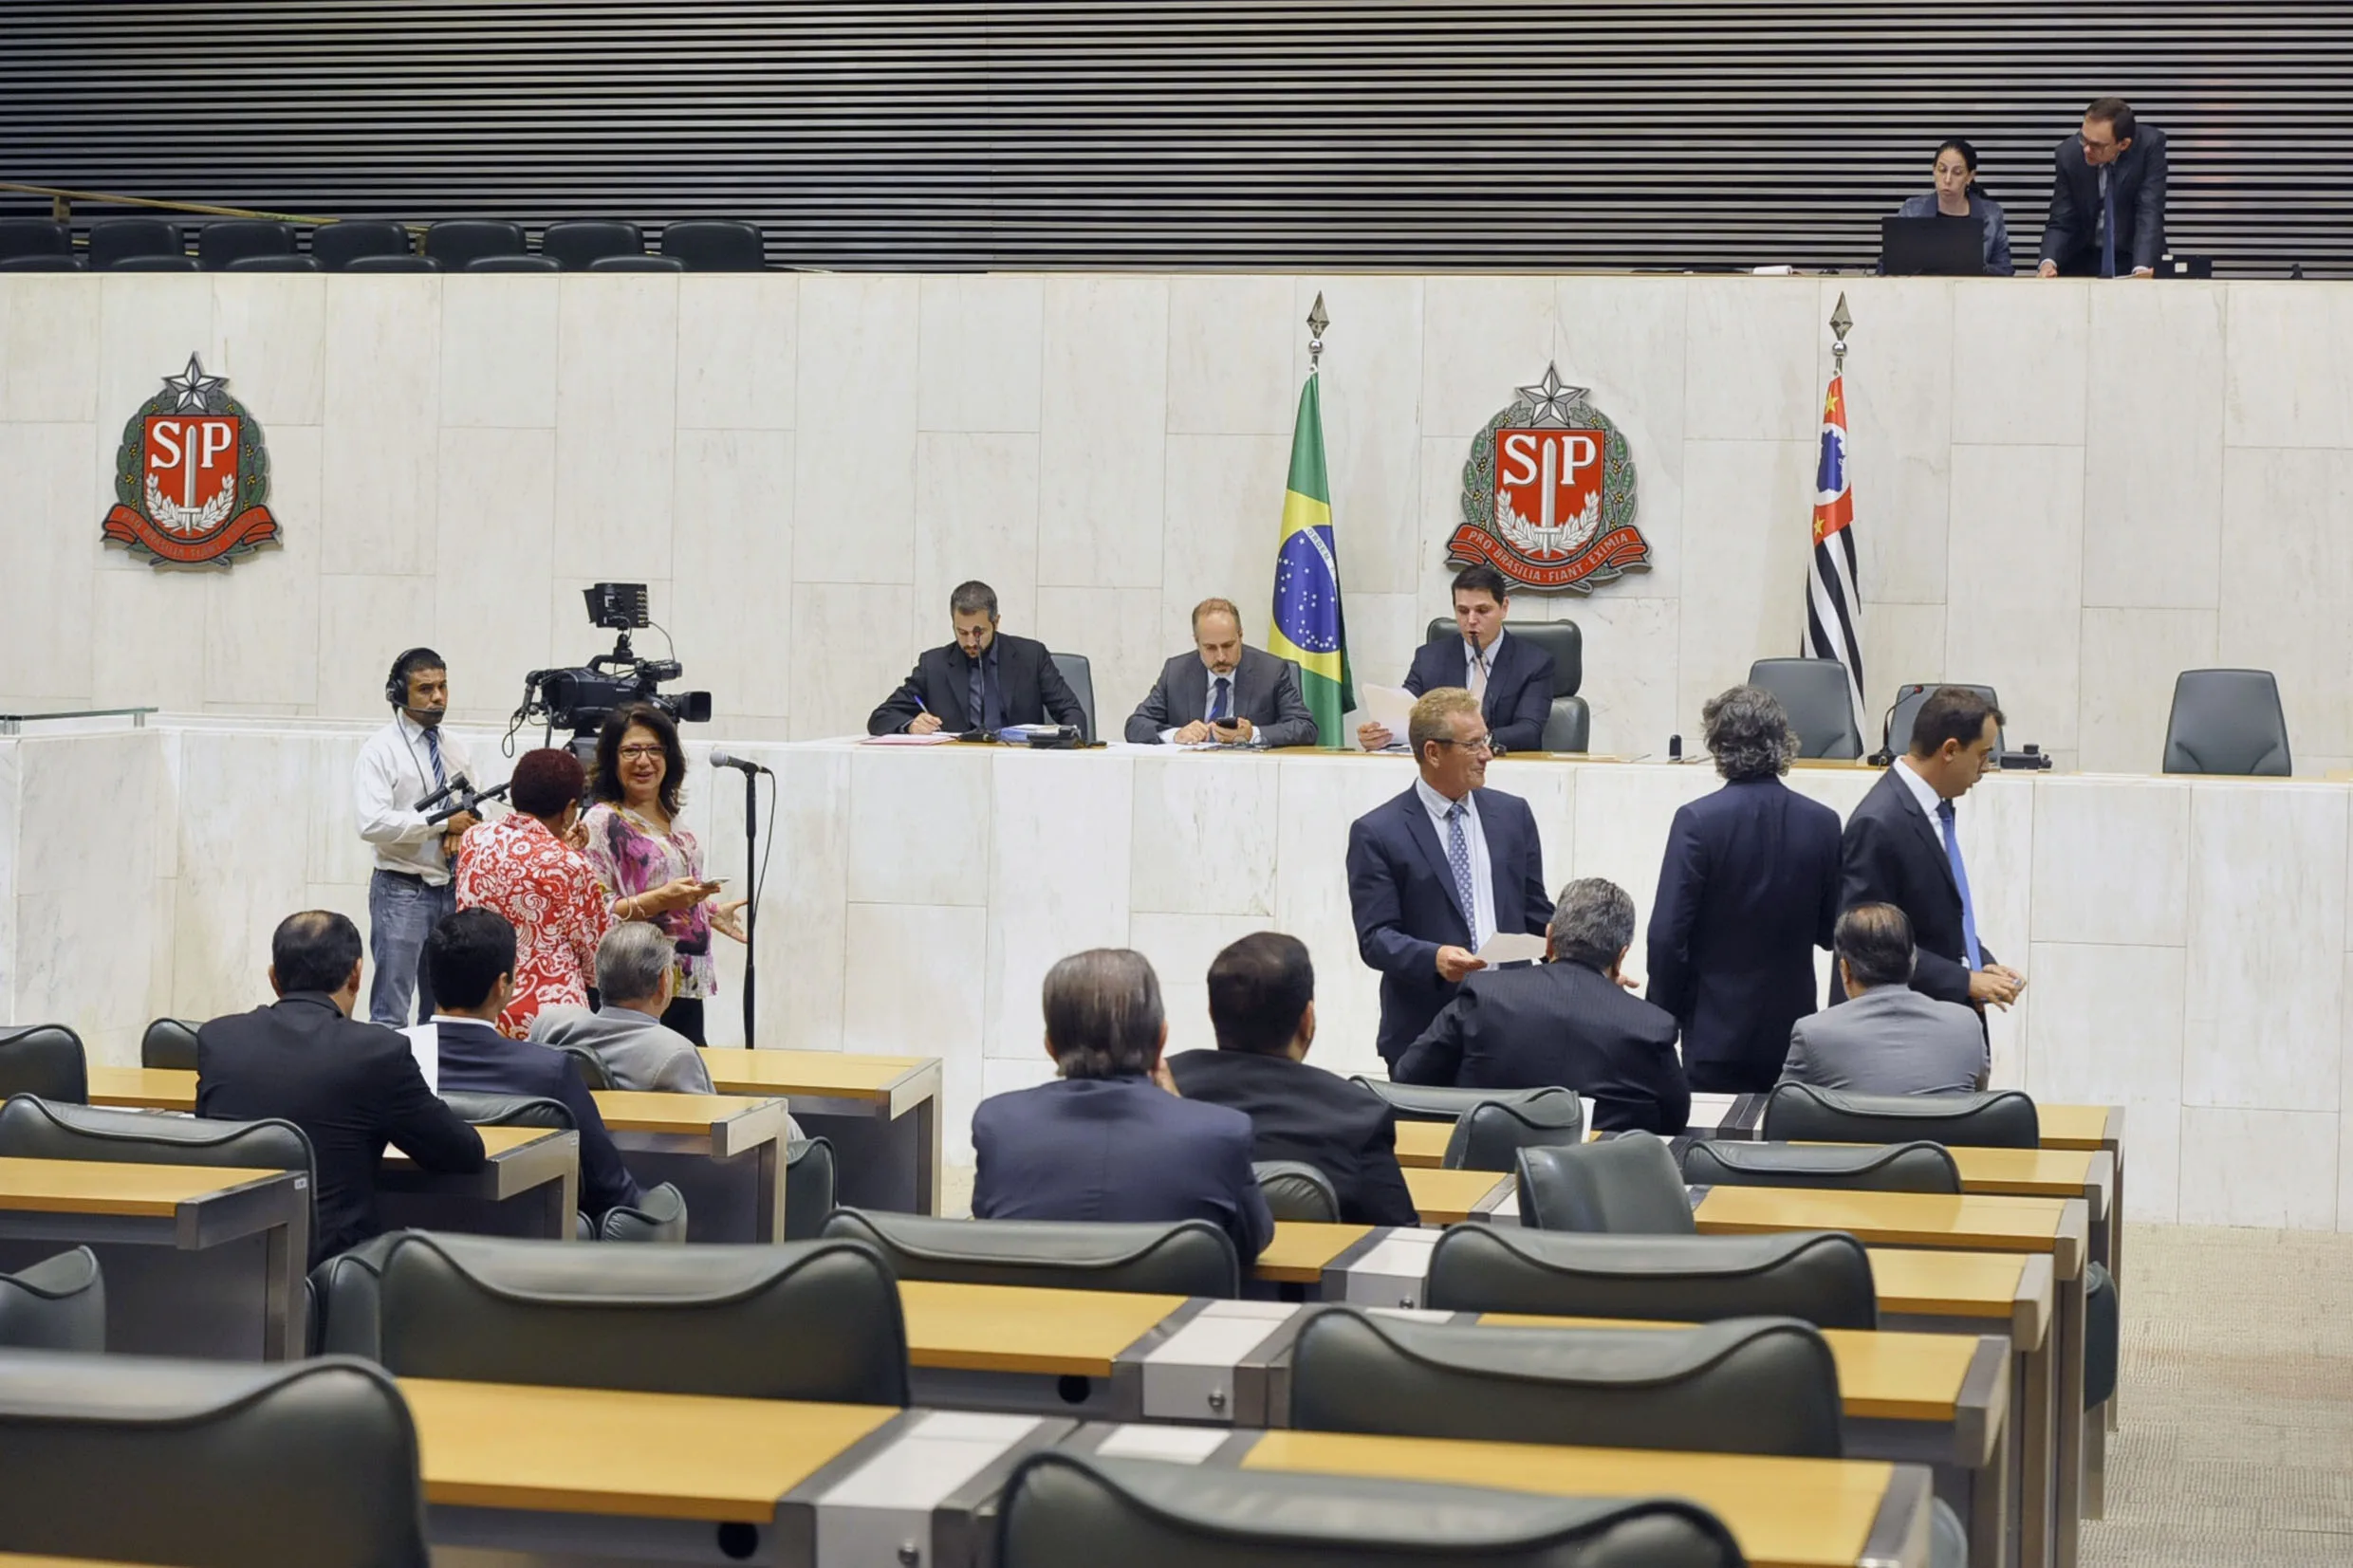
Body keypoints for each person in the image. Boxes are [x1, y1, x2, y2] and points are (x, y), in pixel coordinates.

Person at [195, 911, 484, 1264]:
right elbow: (460, 1153)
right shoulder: (376, 1051)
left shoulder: (219, 1039)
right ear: (356, 975)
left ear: (274, 978)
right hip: (335, 1271)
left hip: (227, 1259)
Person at [970, 949, 1272, 1264]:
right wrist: (1179, 1106)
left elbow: (988, 1225)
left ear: (1050, 1046)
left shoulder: (999, 1124)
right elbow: (1252, 1241)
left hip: (1032, 1314)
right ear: (1162, 1039)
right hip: (1170, 1315)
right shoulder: (1221, 1133)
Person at [1645, 686, 1842, 1092]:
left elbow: (1667, 937)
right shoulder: (1823, 822)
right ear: (1783, 743)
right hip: (1794, 1031)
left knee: (1707, 1148)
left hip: (1715, 1032)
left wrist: (1661, 1024)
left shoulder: (1697, 822)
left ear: (1719, 747)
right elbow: (1830, 932)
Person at [1346, 688, 1553, 1068]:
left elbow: (1536, 912)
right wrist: (1434, 957)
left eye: (1486, 740)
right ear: (1433, 752)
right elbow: (1375, 939)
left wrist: (1586, 964)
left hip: (1511, 1026)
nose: (1487, 754)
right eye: (1473, 744)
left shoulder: (1513, 816)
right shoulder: (1378, 832)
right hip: (1425, 1033)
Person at [1396, 878, 1690, 1135]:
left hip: (1483, 1177)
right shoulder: (1650, 1026)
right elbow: (1674, 1121)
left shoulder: (1483, 994)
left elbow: (1408, 1080)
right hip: (1599, 1189)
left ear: (1549, 939)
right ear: (1621, 956)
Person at [1165, 932, 1419, 1227]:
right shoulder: (1358, 1116)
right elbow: (1400, 1242)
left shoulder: (1159, 1091)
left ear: (1212, 1013)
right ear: (1307, 1020)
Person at [424, 909, 645, 1223]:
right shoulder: (552, 1071)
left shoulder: (389, 1060)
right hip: (534, 1246)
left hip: (411, 1239)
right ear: (503, 985)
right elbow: (609, 1187)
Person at [1834, 686, 2026, 1014]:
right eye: (1982, 754)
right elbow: (1868, 945)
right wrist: (1964, 981)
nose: (1986, 767)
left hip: (1942, 1026)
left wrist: (1982, 966)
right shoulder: (1878, 822)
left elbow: (1939, 918)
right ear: (1950, 750)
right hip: (1901, 1033)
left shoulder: (1935, 810)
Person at [578, 703, 746, 1045]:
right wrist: (661, 900)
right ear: (612, 758)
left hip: (681, 979)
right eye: (631, 751)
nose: (644, 761)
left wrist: (709, 913)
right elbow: (596, 911)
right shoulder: (601, 822)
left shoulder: (672, 818)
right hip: (637, 983)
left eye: (655, 749)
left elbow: (667, 890)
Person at [354, 647, 479, 1025]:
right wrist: (442, 824)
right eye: (425, 689)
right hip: (401, 890)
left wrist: (466, 820)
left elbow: (477, 803)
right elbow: (371, 823)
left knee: (445, 1010)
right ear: (398, 694)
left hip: (451, 888)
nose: (438, 697)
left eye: (442, 686)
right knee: (392, 1008)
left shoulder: (456, 746)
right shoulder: (380, 750)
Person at [454, 747, 610, 1039]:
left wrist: (563, 848)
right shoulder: (570, 865)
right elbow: (595, 959)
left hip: (480, 1004)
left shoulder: (475, 839)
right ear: (570, 808)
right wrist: (568, 855)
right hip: (550, 1020)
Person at [1783, 904, 1988, 1094]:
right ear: (1913, 961)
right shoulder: (1966, 1025)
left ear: (1845, 970)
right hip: (1940, 1135)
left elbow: (1780, 1116)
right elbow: (1977, 1100)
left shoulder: (1813, 1033)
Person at [1356, 565, 1555, 754]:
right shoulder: (1429, 658)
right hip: (1442, 771)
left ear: (1504, 607)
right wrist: (1381, 735)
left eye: (1482, 611)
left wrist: (1473, 741)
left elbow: (1529, 730)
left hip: (1501, 765)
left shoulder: (1534, 663)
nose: (1471, 620)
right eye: (1462, 611)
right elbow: (1408, 717)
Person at [868, 580, 1087, 736]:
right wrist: (910, 725)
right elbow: (881, 717)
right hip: (957, 770)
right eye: (961, 633)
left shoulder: (1031, 656)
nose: (971, 642)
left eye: (978, 632)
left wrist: (1064, 741)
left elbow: (1072, 712)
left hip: (1021, 767)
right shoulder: (933, 665)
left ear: (996, 622)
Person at [529, 922, 717, 1094]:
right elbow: (706, 1126)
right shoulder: (676, 1055)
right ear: (663, 980)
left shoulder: (551, 1025)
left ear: (598, 976)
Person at [1124, 598, 1320, 747]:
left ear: (1240, 636)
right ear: (1197, 641)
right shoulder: (1176, 672)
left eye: (1228, 645)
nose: (1221, 657)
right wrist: (1175, 735)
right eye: (1210, 648)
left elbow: (1305, 727)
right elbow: (1135, 725)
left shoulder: (1271, 671)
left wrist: (1253, 734)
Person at [2036, 98, 2167, 279]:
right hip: (2083, 257)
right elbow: (2062, 219)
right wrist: (2048, 263)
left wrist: (2141, 269)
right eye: (2084, 139)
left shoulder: (2149, 147)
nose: (2086, 150)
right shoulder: (2069, 154)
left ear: (2123, 144)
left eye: (2096, 145)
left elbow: (2149, 211)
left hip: (2132, 255)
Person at [1891, 138, 2012, 275]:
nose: (1947, 179)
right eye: (1942, 170)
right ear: (1933, 171)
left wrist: (1978, 267)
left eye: (1957, 173)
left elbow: (2005, 271)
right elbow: (1887, 266)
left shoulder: (1992, 215)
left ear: (1970, 177)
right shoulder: (1911, 211)